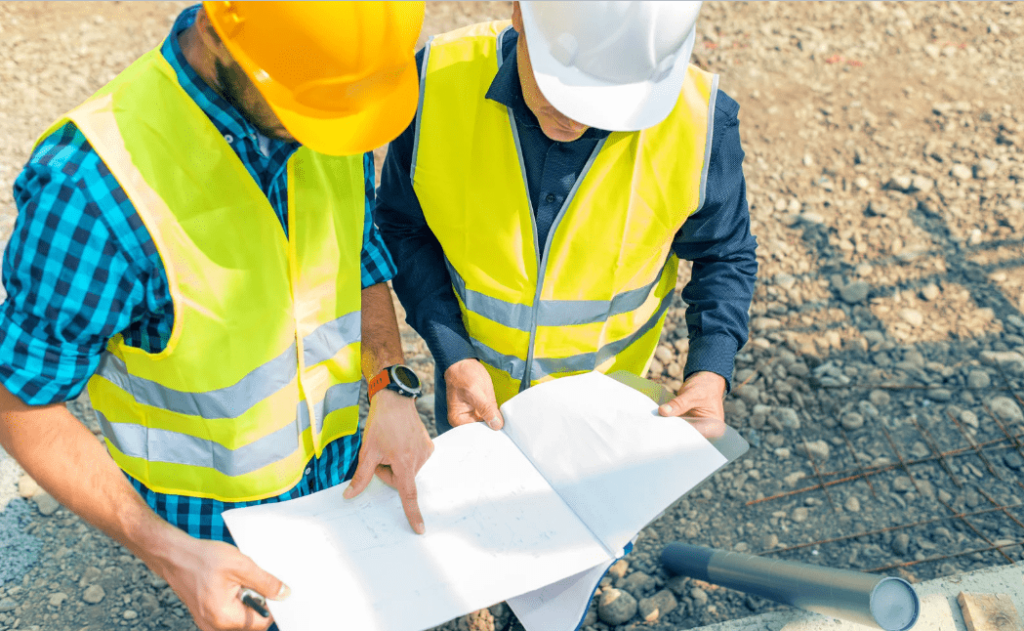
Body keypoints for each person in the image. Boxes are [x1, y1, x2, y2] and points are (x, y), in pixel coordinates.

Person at [0, 3, 433, 630]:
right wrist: (171, 554)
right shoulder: (90, 186)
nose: (328, 133)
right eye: (306, 110)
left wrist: (388, 387)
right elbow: (20, 402)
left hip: (338, 485)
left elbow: (359, 259)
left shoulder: (330, 106)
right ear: (216, 34)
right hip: (208, 527)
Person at [377, 1, 759, 442]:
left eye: (606, 100)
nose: (575, 117)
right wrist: (454, 354)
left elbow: (724, 254)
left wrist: (711, 369)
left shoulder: (699, 122)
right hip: (472, 403)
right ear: (519, 12)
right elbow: (403, 226)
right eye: (563, 88)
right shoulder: (437, 81)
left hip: (607, 419)